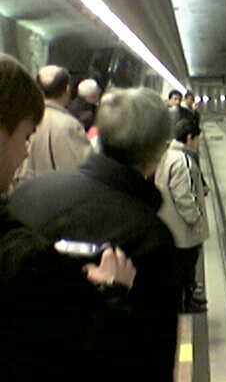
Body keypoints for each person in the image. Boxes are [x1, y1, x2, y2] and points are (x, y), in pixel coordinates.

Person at [10, 87, 180, 381]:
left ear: (98, 135)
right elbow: (151, 357)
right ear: (159, 152)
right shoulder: (151, 237)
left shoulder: (27, 193)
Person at [0, 55, 137, 380]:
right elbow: (81, 357)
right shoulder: (22, 257)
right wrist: (111, 292)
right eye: (25, 137)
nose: (23, 154)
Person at [156, 119, 209, 314]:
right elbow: (184, 196)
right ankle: (187, 303)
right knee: (186, 266)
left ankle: (185, 300)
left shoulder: (167, 155)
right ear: (189, 138)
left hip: (170, 222)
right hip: (182, 226)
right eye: (197, 139)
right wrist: (196, 220)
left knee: (179, 267)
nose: (198, 144)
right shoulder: (182, 160)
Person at [16, 65, 92, 183]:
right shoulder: (69, 125)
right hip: (53, 195)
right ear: (67, 90)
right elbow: (85, 169)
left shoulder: (21, 118)